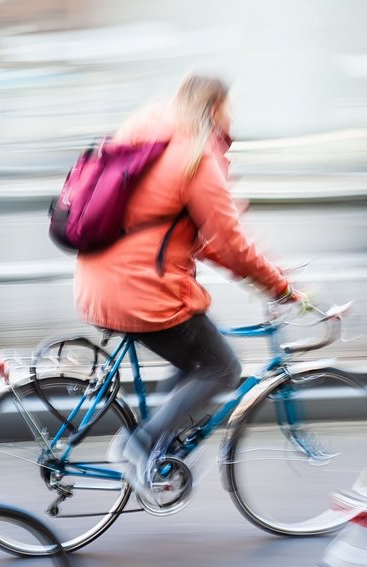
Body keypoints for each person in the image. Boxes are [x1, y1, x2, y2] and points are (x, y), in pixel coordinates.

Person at [73, 73, 298, 507]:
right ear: (215, 108)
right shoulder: (196, 155)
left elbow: (203, 241)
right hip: (141, 290)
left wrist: (268, 274)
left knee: (194, 352)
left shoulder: (149, 140)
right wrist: (282, 288)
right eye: (230, 108)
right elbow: (231, 243)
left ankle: (157, 448)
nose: (233, 117)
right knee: (222, 369)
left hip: (102, 280)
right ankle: (140, 445)